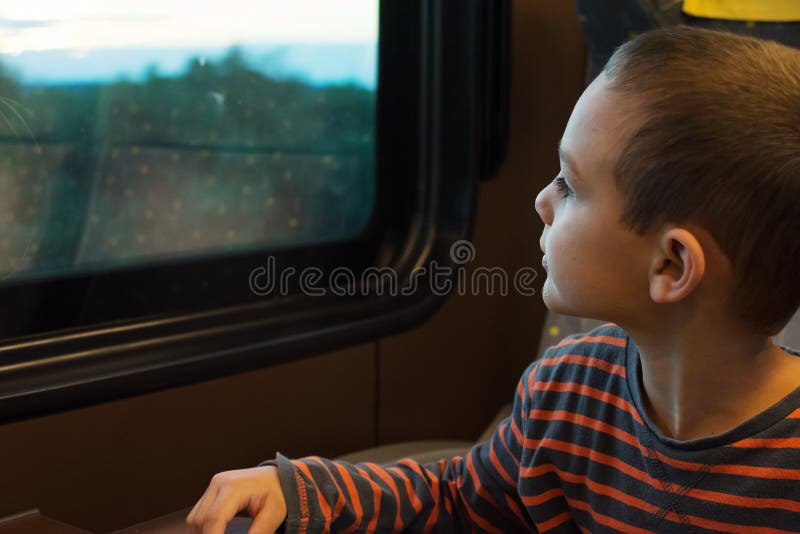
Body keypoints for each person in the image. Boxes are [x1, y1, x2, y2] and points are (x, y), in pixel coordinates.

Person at [186, 26, 800, 533]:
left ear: (671, 266)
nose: (541, 200)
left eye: (570, 182)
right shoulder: (567, 388)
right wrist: (305, 490)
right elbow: (459, 500)